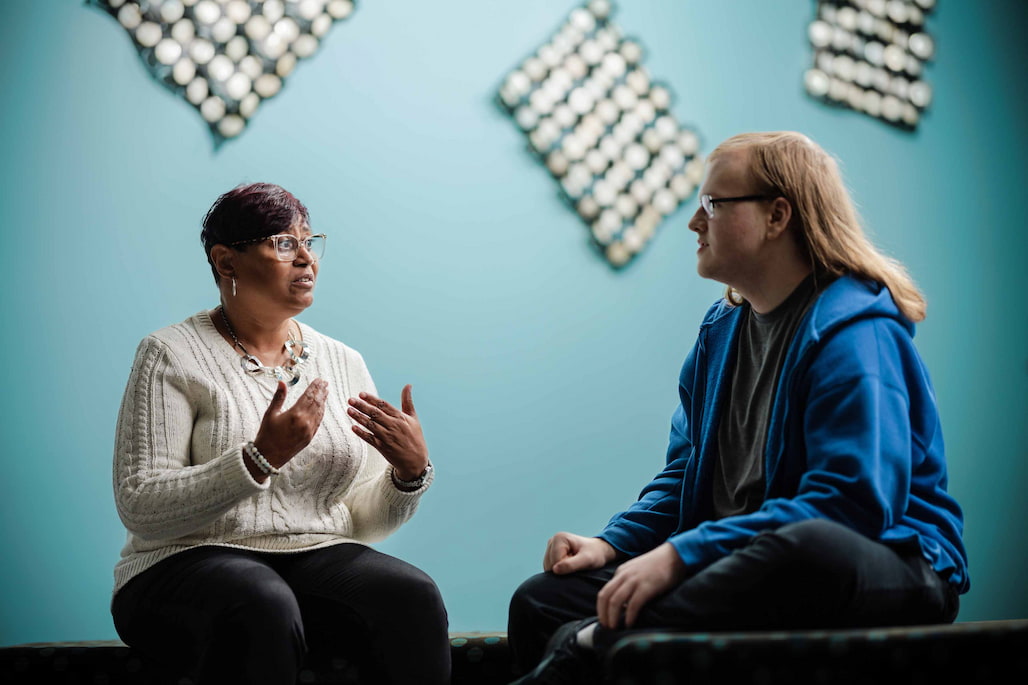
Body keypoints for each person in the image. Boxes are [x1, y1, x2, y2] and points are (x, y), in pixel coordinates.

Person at [507, 132, 969, 684]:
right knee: (543, 599)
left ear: (777, 215)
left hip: (883, 562)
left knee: (810, 548)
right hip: (739, 559)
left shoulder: (856, 332)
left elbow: (851, 506)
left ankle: (589, 644)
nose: (694, 223)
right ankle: (592, 638)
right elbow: (686, 474)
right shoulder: (720, 332)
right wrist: (612, 544)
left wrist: (680, 557)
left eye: (712, 205)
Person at [110, 183, 449, 685]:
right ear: (227, 262)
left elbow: (363, 521)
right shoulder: (169, 354)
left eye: (310, 243)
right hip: (180, 564)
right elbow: (141, 505)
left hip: (313, 558)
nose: (306, 260)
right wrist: (257, 460)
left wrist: (407, 474)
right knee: (261, 599)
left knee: (412, 594)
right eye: (284, 244)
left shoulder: (342, 360)